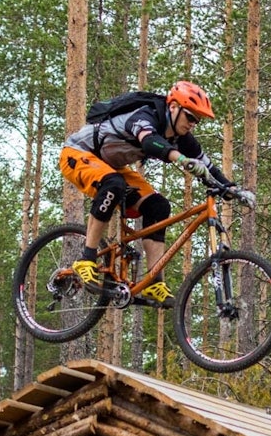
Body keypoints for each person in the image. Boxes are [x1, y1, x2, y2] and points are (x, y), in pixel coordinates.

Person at [59, 80, 244, 305]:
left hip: (111, 166)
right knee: (113, 184)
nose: (193, 123)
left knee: (158, 206)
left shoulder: (182, 139)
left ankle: (154, 281)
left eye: (198, 120)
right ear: (173, 107)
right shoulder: (145, 115)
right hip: (78, 154)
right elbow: (149, 142)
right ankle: (86, 258)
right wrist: (180, 158)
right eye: (190, 116)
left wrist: (233, 190)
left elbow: (208, 167)